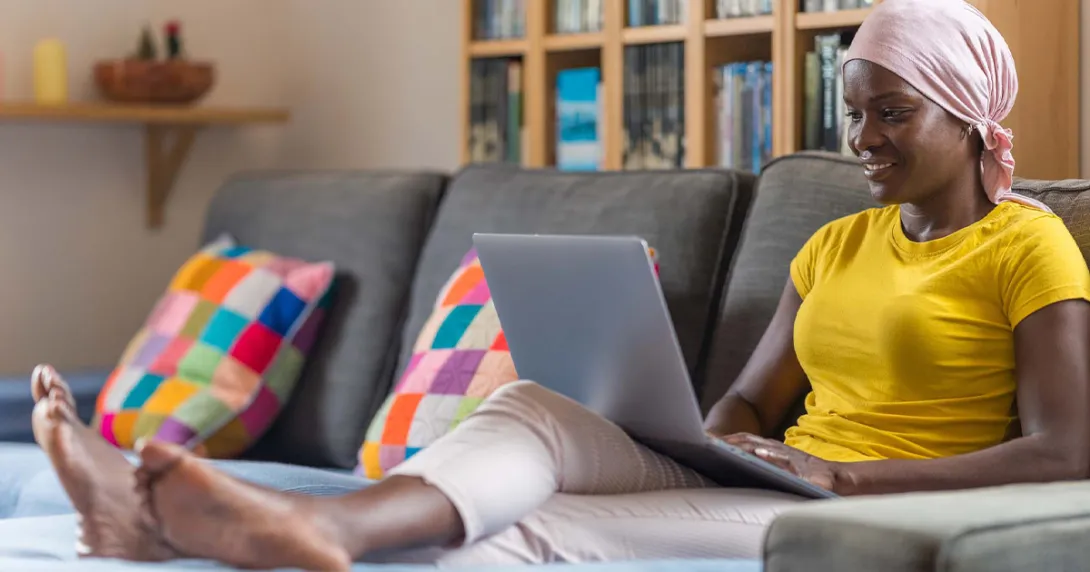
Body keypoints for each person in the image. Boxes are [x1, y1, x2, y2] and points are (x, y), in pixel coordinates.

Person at [26, 0, 1090, 569]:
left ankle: (203, 532)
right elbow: (750, 401)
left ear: (963, 116)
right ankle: (289, 527)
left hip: (848, 508)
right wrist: (710, 438)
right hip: (768, 476)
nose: (861, 136)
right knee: (526, 404)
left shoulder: (1027, 244)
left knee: (532, 530)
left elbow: (1067, 448)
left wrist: (847, 479)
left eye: (890, 111)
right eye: (851, 109)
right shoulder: (836, 243)